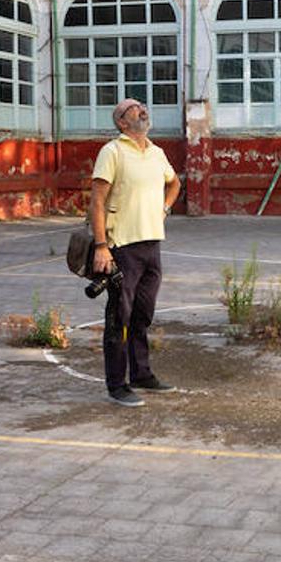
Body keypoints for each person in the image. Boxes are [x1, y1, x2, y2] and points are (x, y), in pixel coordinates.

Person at [89, 98, 182, 407]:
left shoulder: (157, 153)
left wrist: (165, 209)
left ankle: (141, 373)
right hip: (121, 248)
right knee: (119, 316)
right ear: (122, 122)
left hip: (152, 244)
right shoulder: (112, 152)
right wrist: (101, 246)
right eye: (133, 108)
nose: (142, 109)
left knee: (143, 314)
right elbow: (97, 201)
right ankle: (117, 384)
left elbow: (175, 183)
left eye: (142, 105)